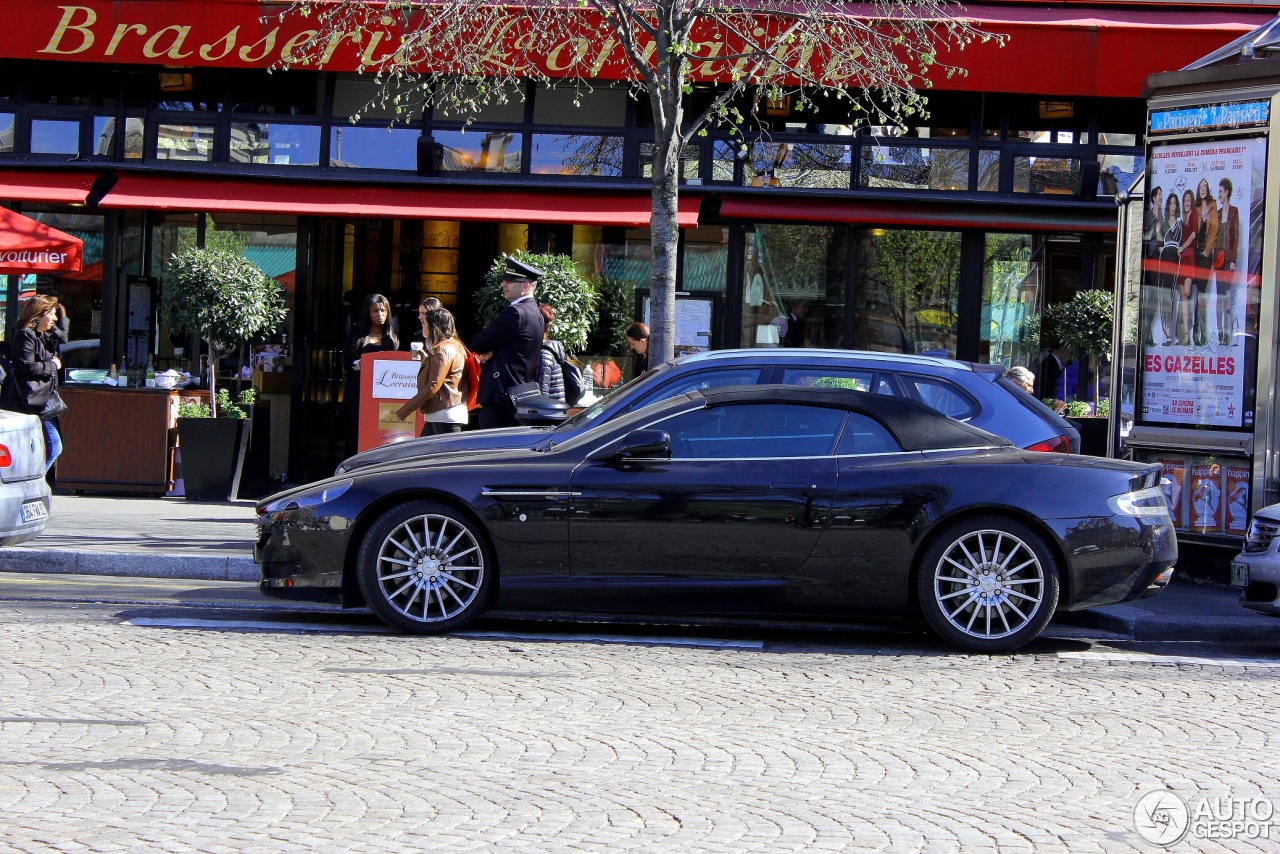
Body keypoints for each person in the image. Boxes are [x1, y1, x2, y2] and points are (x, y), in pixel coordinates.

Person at [471, 258, 545, 429]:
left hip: (501, 398)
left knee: (491, 452)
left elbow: (478, 342)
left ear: (525, 286)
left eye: (510, 280)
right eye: (505, 279)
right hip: (518, 395)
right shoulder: (536, 313)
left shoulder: (515, 312)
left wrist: (490, 349)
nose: (504, 283)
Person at [396, 306, 468, 435]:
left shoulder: (442, 349)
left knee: (443, 453)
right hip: (444, 412)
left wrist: (405, 410)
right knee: (425, 451)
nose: (422, 326)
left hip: (444, 413)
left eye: (424, 323)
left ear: (434, 326)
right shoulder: (455, 345)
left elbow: (433, 385)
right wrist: (427, 361)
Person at [13, 295, 64, 471]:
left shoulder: (42, 336)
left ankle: (34, 481)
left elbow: (63, 336)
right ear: (39, 314)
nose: (55, 319)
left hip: (44, 400)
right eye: (52, 314)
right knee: (54, 446)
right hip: (33, 400)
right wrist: (52, 365)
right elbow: (27, 367)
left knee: (51, 447)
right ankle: (35, 481)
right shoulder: (25, 336)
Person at [343, 293, 400, 440]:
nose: (379, 314)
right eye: (375, 311)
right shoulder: (357, 333)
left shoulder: (391, 337)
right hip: (358, 392)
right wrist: (359, 365)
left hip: (383, 396)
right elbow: (346, 360)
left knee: (378, 437)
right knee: (357, 435)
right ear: (367, 313)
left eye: (383, 310)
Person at [1193, 178, 1219, 346]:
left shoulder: (1213, 206)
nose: (1203, 189)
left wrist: (1207, 250)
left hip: (1205, 255)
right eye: (1201, 187)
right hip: (1193, 255)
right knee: (1193, 293)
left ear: (1208, 190)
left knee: (1201, 294)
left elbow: (1215, 230)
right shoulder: (1195, 209)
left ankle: (1199, 332)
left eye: (1205, 187)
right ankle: (1194, 331)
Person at [1216, 177, 1240, 345]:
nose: (1219, 195)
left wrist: (1233, 260)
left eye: (1220, 192)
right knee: (1219, 296)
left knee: (1227, 295)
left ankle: (1227, 332)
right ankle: (1219, 333)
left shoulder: (1234, 211)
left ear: (1227, 192)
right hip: (1218, 259)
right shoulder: (1217, 214)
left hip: (1228, 259)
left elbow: (1235, 238)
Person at [1177, 188, 1198, 346]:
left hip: (1189, 256)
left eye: (1188, 200)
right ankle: (1185, 334)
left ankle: (1189, 330)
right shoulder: (1180, 219)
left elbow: (1193, 235)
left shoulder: (1194, 215)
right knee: (1183, 296)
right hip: (1179, 258)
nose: (1186, 203)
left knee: (1187, 292)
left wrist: (1182, 247)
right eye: (1184, 200)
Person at [537, 303, 566, 403]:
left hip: (548, 413)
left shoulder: (543, 354)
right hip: (554, 410)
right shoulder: (550, 350)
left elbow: (542, 394)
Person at [1035, 345, 1072, 412]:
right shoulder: (1050, 364)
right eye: (1069, 352)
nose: (1070, 356)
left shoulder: (1050, 362)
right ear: (1062, 350)